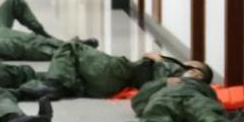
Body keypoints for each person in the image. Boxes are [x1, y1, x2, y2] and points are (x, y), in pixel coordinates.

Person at [121, 68, 244, 122]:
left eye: (200, 73)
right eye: (192, 70)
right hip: (167, 97)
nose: (196, 73)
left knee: (204, 108)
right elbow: (138, 100)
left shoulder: (204, 88)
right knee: (159, 105)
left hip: (194, 98)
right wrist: (163, 82)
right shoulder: (163, 83)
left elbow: (213, 102)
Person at [15, 43, 195, 100]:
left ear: (197, 72)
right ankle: (17, 91)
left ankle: (54, 84)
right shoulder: (178, 71)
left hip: (119, 73)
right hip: (112, 83)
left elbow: (160, 83)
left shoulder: (180, 72)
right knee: (65, 72)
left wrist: (158, 61)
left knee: (72, 47)